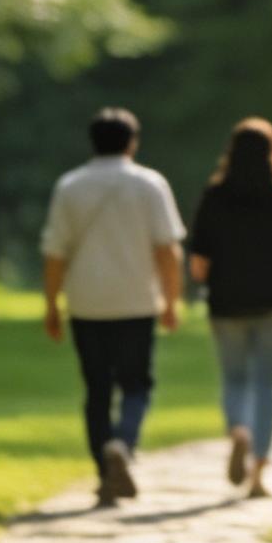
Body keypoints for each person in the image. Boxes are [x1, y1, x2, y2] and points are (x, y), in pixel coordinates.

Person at [41, 107, 185, 506]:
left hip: (86, 303)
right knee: (137, 384)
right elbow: (168, 250)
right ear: (132, 142)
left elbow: (55, 254)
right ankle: (123, 442)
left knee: (97, 389)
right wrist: (171, 300)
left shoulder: (70, 186)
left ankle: (105, 472)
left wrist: (52, 305)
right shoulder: (150, 184)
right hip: (137, 301)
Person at [188, 118, 272, 499]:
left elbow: (199, 263)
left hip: (227, 301)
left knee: (234, 377)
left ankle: (239, 430)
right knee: (268, 382)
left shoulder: (214, 196)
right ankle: (259, 471)